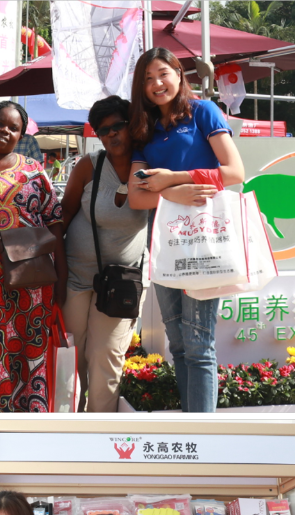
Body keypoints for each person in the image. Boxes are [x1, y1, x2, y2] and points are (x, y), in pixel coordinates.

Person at [127, 46, 244, 413]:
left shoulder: (203, 112)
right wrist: (176, 191)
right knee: (177, 343)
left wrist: (169, 180)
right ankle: (189, 429)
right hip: (165, 244)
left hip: (203, 242)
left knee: (199, 344)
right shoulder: (144, 129)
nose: (156, 84)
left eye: (163, 73)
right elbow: (135, 195)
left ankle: (203, 435)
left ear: (179, 73)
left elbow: (235, 172)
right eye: (147, 79)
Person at [0, 101, 68, 413]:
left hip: (31, 285)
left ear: (21, 135)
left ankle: (28, 435)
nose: (5, 131)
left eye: (13, 128)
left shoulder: (33, 171)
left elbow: (55, 223)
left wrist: (61, 280)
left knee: (28, 355)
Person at [61, 96, 149, 412]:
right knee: (73, 352)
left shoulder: (150, 166)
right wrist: (56, 270)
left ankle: (99, 431)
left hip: (121, 282)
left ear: (132, 126)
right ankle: (67, 425)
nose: (112, 135)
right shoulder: (89, 166)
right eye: (103, 130)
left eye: (118, 126)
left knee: (106, 355)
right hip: (76, 276)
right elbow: (65, 214)